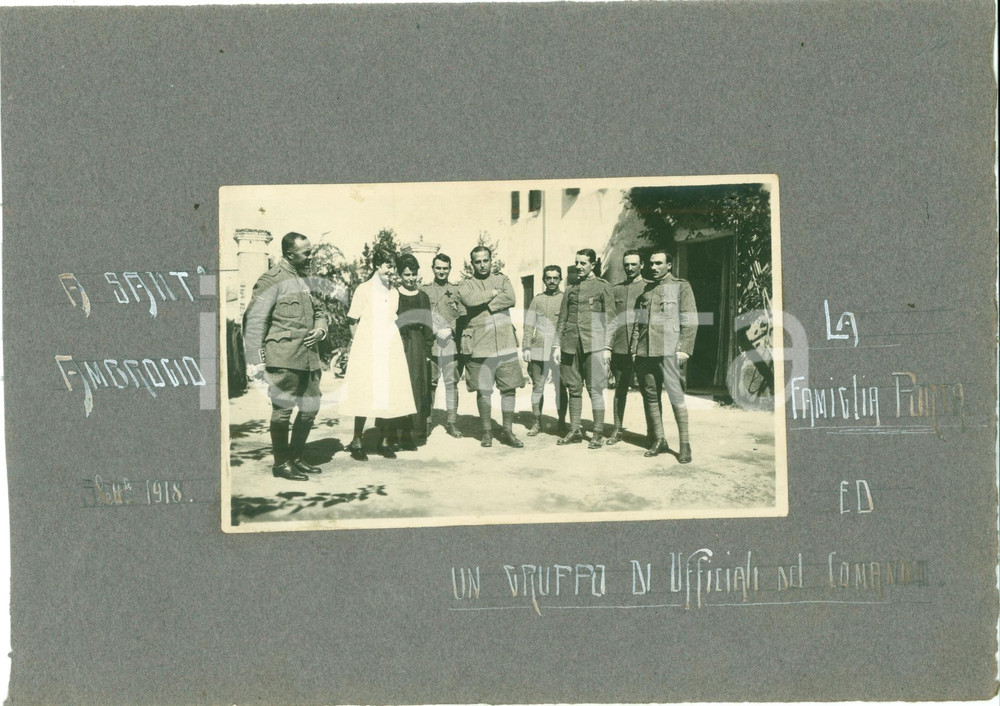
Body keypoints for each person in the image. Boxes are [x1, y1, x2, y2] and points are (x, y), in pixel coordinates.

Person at [243, 232, 328, 481]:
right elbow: (254, 319)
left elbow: (320, 311)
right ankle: (281, 463)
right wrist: (256, 358)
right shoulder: (271, 280)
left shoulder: (304, 279)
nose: (310, 257)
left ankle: (296, 457)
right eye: (306, 253)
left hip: (309, 357)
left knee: (310, 409)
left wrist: (320, 329)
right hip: (283, 356)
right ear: (290, 254)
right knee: (282, 411)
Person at [339, 247, 416, 460]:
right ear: (376, 266)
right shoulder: (363, 289)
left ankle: (383, 441)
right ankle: (357, 440)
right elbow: (352, 320)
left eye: (394, 267)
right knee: (364, 391)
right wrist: (359, 348)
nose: (392, 271)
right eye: (388, 266)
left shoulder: (394, 292)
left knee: (390, 391)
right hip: (367, 347)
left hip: (390, 347)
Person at [629, 248, 698, 460]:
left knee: (676, 396)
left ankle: (685, 445)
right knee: (651, 396)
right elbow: (638, 323)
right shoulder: (646, 291)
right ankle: (659, 439)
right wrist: (634, 349)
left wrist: (684, 348)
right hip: (645, 352)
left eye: (658, 263)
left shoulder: (681, 287)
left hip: (670, 351)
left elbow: (690, 319)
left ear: (669, 265)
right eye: (651, 263)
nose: (653, 267)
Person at [457, 245, 526, 448]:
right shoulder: (466, 284)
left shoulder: (502, 279)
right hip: (480, 344)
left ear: (491, 260)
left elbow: (511, 297)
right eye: (477, 261)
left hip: (505, 342)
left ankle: (507, 431)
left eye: (485, 260)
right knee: (484, 390)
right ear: (472, 264)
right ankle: (487, 432)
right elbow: (469, 300)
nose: (482, 265)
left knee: (509, 388)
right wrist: (495, 294)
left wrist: (485, 303)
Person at [553, 248, 617, 449]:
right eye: (576, 263)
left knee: (595, 388)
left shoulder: (603, 287)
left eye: (583, 263)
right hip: (570, 345)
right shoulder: (570, 289)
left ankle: (597, 433)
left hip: (594, 344)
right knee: (573, 387)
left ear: (593, 264)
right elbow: (562, 319)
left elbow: (611, 319)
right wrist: (557, 345)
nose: (578, 267)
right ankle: (574, 430)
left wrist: (607, 347)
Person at [421, 253, 466, 438]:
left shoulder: (456, 290)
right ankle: (426, 423)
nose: (441, 271)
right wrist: (433, 329)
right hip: (431, 344)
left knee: (451, 384)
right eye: (438, 268)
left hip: (450, 344)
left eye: (445, 268)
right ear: (433, 268)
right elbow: (420, 314)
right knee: (429, 385)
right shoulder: (424, 291)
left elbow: (463, 314)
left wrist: (451, 329)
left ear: (450, 269)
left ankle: (452, 423)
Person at [521, 265, 568, 436]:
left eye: (555, 278)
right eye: (549, 278)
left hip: (558, 351)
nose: (552, 281)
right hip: (538, 349)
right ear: (544, 280)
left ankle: (561, 422)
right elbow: (529, 325)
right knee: (537, 387)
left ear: (560, 279)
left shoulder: (565, 299)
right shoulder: (537, 300)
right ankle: (536, 422)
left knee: (561, 387)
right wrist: (526, 347)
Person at [606, 249, 646, 445]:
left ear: (642, 265)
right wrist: (608, 346)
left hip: (644, 348)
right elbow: (610, 320)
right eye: (626, 264)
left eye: (633, 264)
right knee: (620, 390)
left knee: (648, 392)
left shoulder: (649, 287)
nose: (629, 268)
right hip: (620, 347)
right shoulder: (616, 289)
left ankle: (653, 433)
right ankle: (617, 429)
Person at [395, 253, 434, 450]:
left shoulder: (422, 297)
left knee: (416, 387)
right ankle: (393, 434)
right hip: (398, 344)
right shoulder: (394, 295)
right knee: (398, 387)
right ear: (400, 275)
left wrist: (427, 351)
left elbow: (427, 325)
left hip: (417, 346)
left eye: (413, 274)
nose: (410, 278)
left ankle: (409, 435)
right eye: (406, 274)